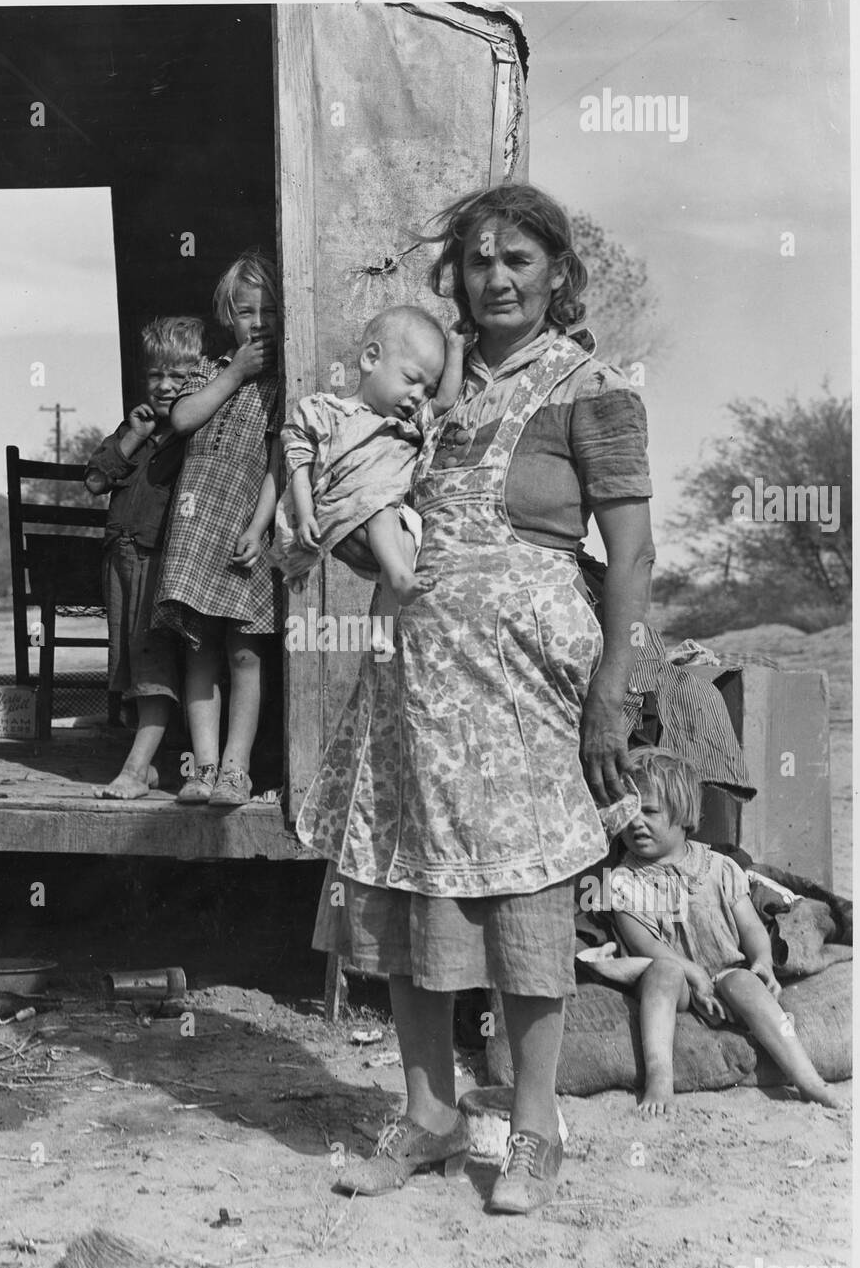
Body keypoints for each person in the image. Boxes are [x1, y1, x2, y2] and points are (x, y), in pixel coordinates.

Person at [297, 182, 656, 1212]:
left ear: (556, 273)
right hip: (414, 682)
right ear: (453, 275)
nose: (496, 278)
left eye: (519, 261)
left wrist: (610, 694)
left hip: (529, 693)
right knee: (413, 893)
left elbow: (631, 559)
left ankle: (536, 1130)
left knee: (523, 902)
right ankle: (428, 1112)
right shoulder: (427, 389)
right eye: (478, 261)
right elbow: (368, 504)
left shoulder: (595, 387)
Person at [608, 747, 841, 1115]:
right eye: (628, 812)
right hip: (679, 980)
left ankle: (808, 1078)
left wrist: (763, 959)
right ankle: (659, 1075)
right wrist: (694, 974)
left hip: (725, 970)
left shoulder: (719, 867)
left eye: (649, 812)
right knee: (662, 975)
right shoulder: (624, 881)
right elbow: (646, 944)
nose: (636, 822)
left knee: (745, 983)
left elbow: (750, 927)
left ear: (683, 816)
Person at [152, 252, 283, 808]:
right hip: (196, 525)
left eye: (268, 311)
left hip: (243, 529)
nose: (258, 323)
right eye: (246, 311)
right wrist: (234, 373)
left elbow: (281, 461)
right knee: (198, 649)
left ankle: (237, 770)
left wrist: (261, 524)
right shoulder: (211, 370)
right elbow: (182, 419)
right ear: (228, 316)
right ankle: (202, 768)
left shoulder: (283, 384)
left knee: (246, 654)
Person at [269, 307, 464, 652]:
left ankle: (383, 630)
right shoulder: (324, 411)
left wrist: (457, 346)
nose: (419, 395)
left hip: (384, 512)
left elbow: (447, 401)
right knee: (382, 511)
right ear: (372, 358)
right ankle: (401, 583)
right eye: (411, 379)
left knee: (405, 543)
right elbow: (299, 464)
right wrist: (305, 516)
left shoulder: (409, 424)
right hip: (349, 506)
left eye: (427, 389)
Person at [85, 316, 206, 799]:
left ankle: (135, 769)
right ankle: (153, 762)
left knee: (152, 662)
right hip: (121, 557)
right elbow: (95, 480)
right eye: (157, 375)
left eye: (179, 377)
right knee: (130, 663)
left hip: (160, 560)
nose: (166, 386)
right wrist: (132, 437)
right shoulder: (133, 427)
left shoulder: (192, 432)